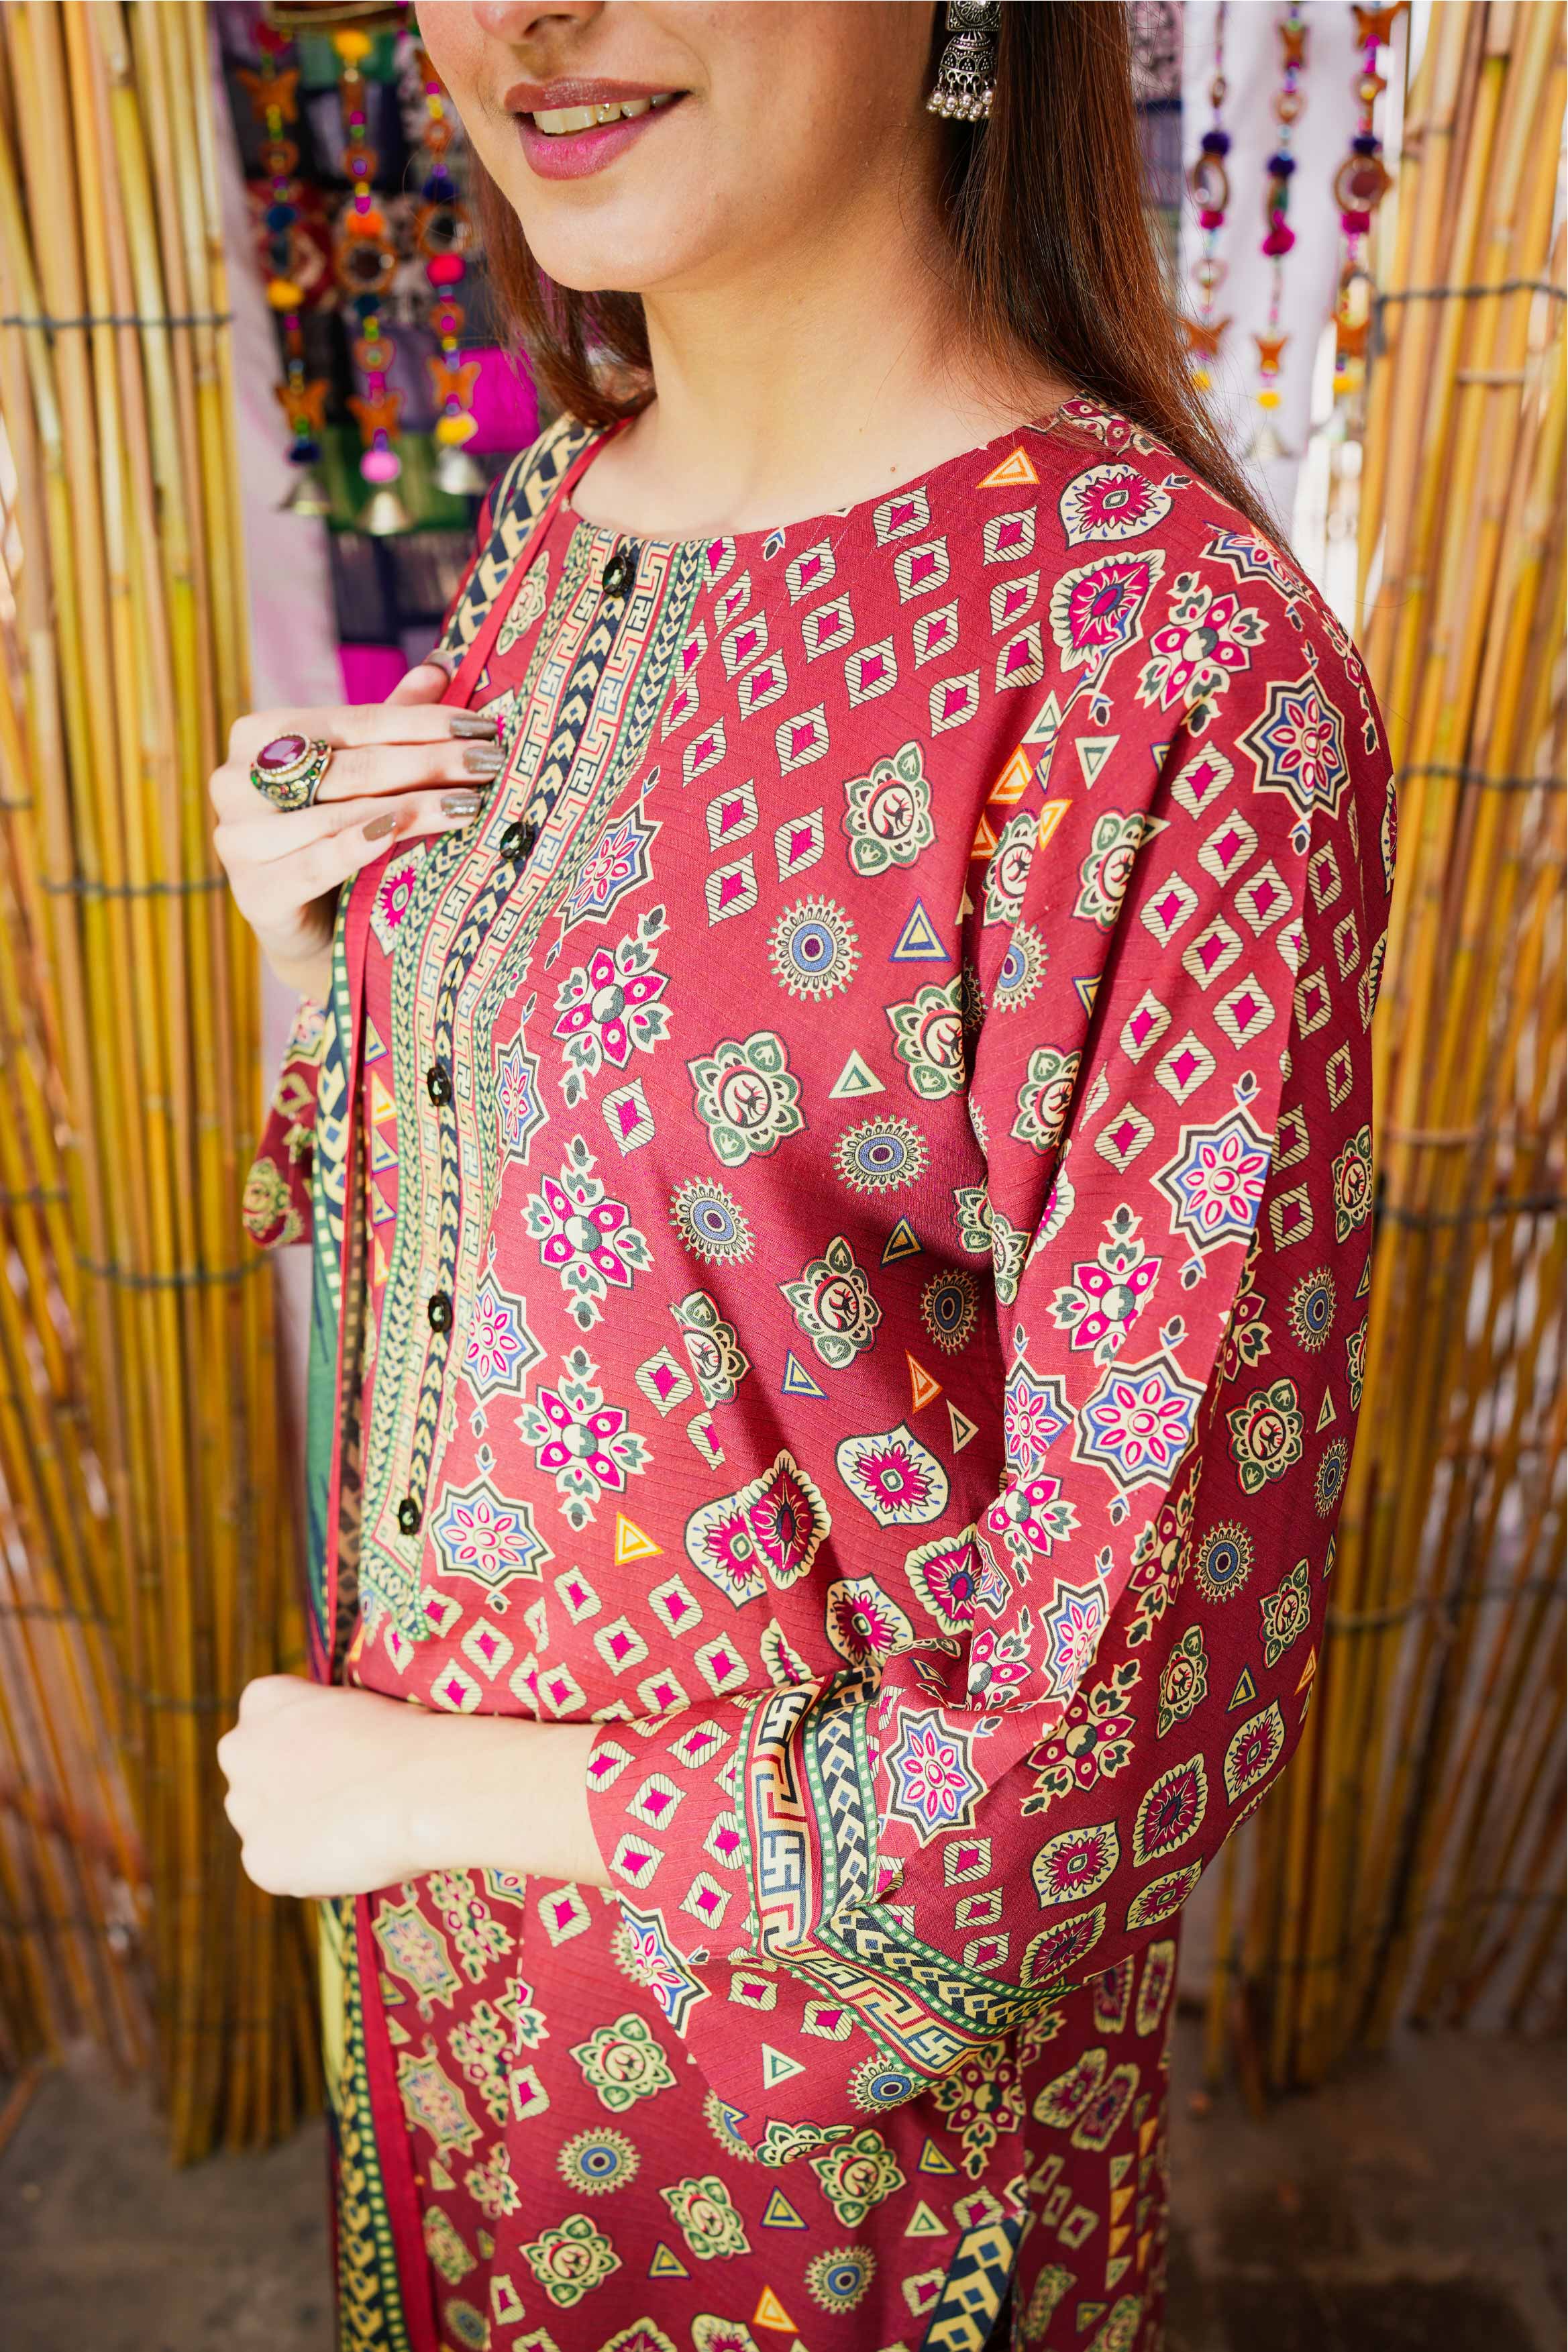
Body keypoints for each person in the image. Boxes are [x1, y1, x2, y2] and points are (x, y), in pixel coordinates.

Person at [213, 6, 1396, 2348]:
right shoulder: (571, 514)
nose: (528, 19)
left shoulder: (1168, 679)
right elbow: (551, 1258)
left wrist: (440, 1794)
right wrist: (338, 940)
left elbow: (1104, 1738)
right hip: (463, 2033)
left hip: (842, 2147)